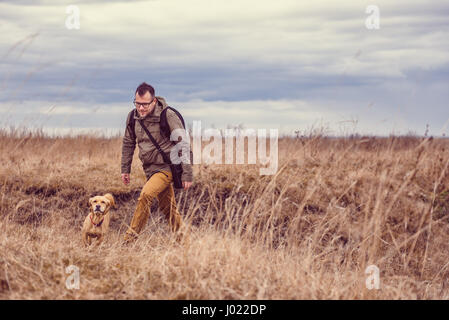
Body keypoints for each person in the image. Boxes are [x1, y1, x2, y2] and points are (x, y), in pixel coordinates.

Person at [121, 82, 192, 242]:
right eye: (137, 104)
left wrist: (187, 173)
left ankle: (128, 241)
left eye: (145, 104)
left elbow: (183, 143)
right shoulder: (133, 117)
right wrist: (125, 169)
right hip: (150, 169)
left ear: (153, 101)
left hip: (167, 167)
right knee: (168, 209)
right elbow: (128, 142)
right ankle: (185, 242)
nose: (141, 108)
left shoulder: (167, 115)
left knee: (145, 195)